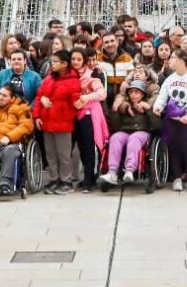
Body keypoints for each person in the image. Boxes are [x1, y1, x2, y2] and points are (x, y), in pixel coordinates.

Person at [34, 50, 82, 195]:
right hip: (47, 121)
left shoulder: (73, 81)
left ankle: (66, 180)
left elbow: (75, 103)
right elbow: (39, 96)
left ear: (64, 64)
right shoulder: (49, 79)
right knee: (50, 154)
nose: (52, 64)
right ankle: (54, 179)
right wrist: (37, 115)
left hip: (63, 123)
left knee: (63, 154)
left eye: (55, 62)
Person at [154, 52, 187, 192]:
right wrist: (158, 106)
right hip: (172, 119)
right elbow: (163, 96)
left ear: (181, 60)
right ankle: (177, 178)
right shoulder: (170, 79)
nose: (170, 60)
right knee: (174, 149)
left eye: (173, 58)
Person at [100, 80, 162, 188]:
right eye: (131, 92)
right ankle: (112, 172)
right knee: (115, 137)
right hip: (125, 131)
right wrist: (116, 111)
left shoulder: (148, 105)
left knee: (134, 138)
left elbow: (157, 125)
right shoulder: (125, 106)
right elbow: (115, 126)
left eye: (136, 92)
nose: (133, 95)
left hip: (142, 131)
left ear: (142, 94)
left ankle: (129, 170)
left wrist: (148, 110)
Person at [70, 48, 107, 193]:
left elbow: (101, 93)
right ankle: (88, 177)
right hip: (73, 115)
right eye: (73, 59)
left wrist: (86, 97)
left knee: (89, 147)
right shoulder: (68, 76)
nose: (76, 62)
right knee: (79, 147)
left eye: (79, 59)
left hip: (89, 114)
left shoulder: (91, 74)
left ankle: (88, 181)